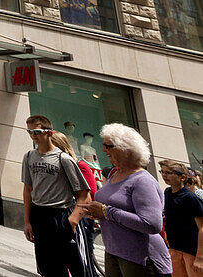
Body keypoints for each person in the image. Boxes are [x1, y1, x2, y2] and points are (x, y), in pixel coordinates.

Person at [81, 123, 172, 276]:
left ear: (127, 151)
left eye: (108, 146)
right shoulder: (113, 174)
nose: (103, 149)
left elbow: (152, 224)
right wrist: (97, 212)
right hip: (114, 251)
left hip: (140, 258)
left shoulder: (143, 181)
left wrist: (106, 211)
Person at [22, 115, 91, 277]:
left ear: (49, 133)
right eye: (30, 131)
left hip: (60, 214)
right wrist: (27, 221)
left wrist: (73, 220)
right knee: (47, 265)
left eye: (37, 131)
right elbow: (27, 189)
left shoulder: (64, 159)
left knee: (74, 264)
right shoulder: (29, 157)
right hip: (39, 214)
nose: (33, 135)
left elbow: (83, 194)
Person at [51, 131, 100, 277]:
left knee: (82, 261)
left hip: (79, 218)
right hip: (61, 216)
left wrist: (74, 219)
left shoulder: (80, 165)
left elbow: (90, 194)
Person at [159, 160, 203, 277]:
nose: (164, 175)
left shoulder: (190, 198)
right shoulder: (168, 192)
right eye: (162, 172)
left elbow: (202, 227)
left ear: (182, 177)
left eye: (168, 173)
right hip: (175, 249)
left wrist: (200, 257)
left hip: (192, 251)